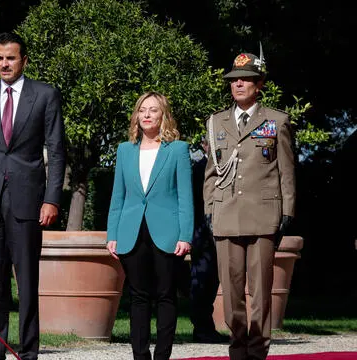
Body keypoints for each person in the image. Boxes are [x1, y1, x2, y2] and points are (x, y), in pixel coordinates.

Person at [0, 32, 65, 360]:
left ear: (24, 60)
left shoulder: (45, 95)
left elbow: (57, 150)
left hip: (29, 201)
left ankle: (29, 351)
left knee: (27, 280)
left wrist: (52, 199)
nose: (4, 63)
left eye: (10, 57)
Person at [203, 52, 295, 360]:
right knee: (231, 291)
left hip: (263, 214)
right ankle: (237, 349)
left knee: (260, 291)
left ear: (259, 84)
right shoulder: (215, 121)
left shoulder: (276, 121)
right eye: (233, 80)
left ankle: (257, 352)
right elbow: (212, 171)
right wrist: (209, 207)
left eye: (244, 79)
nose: (237, 83)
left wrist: (287, 210)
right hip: (226, 213)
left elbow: (286, 169)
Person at [106, 91, 194, 360]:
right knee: (138, 297)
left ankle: (162, 356)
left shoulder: (178, 149)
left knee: (166, 295)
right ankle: (140, 355)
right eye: (142, 110)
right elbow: (118, 196)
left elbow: (185, 196)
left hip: (167, 232)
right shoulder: (124, 150)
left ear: (163, 115)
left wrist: (186, 235)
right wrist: (112, 234)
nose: (146, 115)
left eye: (153, 110)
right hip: (131, 232)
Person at [189, 137, 229, 344]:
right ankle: (202, 329)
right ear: (204, 146)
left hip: (222, 231)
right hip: (203, 233)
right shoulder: (199, 169)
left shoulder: (225, 166)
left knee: (212, 281)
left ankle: (205, 328)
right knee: (203, 282)